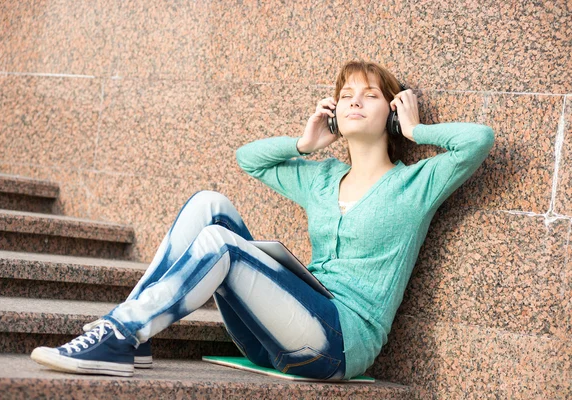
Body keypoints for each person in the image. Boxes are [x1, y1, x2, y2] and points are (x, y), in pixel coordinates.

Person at [30, 60, 494, 380]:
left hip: (337, 346)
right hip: (275, 334)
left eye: (369, 95)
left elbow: (477, 141)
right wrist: (305, 145)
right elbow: (248, 160)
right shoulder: (322, 177)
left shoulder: (417, 184)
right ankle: (134, 335)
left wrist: (414, 130)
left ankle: (120, 333)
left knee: (221, 244)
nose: (354, 101)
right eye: (345, 94)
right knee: (209, 204)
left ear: (390, 110)